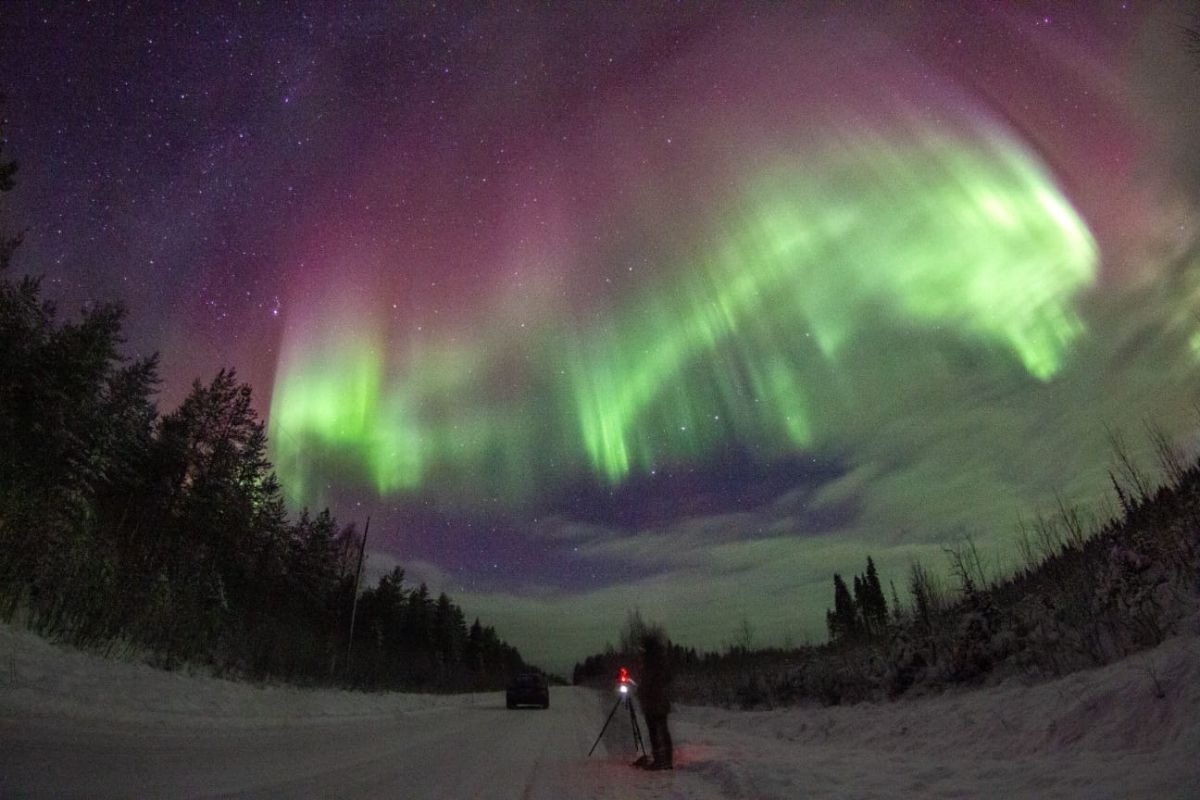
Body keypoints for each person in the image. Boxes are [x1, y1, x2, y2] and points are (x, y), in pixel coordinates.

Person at [636, 628, 673, 770]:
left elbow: (648, 681)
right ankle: (667, 760)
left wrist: (641, 689)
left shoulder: (650, 662)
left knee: (654, 731)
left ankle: (659, 761)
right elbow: (666, 678)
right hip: (660, 701)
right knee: (663, 730)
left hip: (653, 702)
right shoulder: (661, 659)